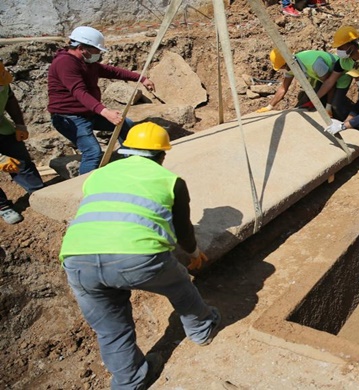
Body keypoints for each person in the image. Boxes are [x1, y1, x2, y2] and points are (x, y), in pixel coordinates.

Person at [59, 122, 220, 389]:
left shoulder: (98, 175)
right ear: (162, 155)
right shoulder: (171, 181)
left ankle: (129, 381)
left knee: (110, 329)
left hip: (77, 258)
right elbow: (183, 229)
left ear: (125, 150)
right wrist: (193, 254)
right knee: (180, 285)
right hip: (137, 257)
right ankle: (202, 329)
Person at [48, 26, 156, 175]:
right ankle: (86, 190)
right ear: (81, 48)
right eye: (96, 50)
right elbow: (79, 92)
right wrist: (105, 112)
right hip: (69, 117)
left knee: (126, 124)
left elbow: (112, 71)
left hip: (87, 113)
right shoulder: (65, 63)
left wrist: (141, 78)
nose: (98, 53)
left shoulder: (87, 62)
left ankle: (133, 163)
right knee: (93, 152)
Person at [0, 61, 44, 224]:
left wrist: (19, 124)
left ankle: (39, 193)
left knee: (22, 161)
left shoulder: (2, 79)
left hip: (2, 128)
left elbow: (10, 99)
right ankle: (2, 206)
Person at [256, 49, 349, 119]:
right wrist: (269, 106)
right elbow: (283, 88)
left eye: (282, 67)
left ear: (287, 62)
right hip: (323, 77)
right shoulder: (291, 66)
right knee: (308, 100)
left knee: (336, 106)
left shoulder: (315, 64)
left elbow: (330, 84)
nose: (281, 69)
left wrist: (328, 107)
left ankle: (351, 122)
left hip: (341, 74)